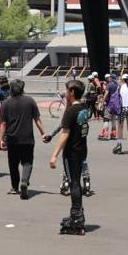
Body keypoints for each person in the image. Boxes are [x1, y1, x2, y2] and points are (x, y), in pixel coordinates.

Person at [48, 79, 89, 235]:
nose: (65, 93)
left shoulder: (71, 111)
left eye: (67, 91)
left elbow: (65, 134)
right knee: (76, 182)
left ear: (72, 92)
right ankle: (77, 214)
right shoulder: (84, 108)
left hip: (71, 152)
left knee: (74, 184)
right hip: (81, 150)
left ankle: (77, 218)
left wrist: (54, 155)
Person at [0, 79, 44, 199]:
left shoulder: (6, 103)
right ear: (23, 88)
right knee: (27, 162)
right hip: (27, 138)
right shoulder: (30, 101)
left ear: (11, 89)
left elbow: (3, 123)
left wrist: (1, 139)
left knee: (13, 164)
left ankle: (14, 187)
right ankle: (24, 181)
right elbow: (37, 119)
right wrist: (43, 133)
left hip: (12, 139)